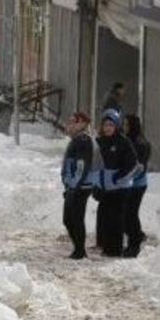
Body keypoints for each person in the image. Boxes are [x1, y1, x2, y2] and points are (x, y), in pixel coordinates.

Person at [95, 109, 138, 257]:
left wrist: (119, 176)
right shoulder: (99, 142)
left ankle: (115, 249)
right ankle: (107, 247)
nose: (108, 128)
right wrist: (96, 185)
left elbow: (132, 164)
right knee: (105, 218)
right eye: (105, 125)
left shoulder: (123, 142)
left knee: (117, 219)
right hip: (105, 187)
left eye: (111, 125)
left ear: (116, 126)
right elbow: (94, 165)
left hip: (120, 187)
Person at [61, 111, 102, 260]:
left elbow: (81, 167)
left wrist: (73, 186)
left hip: (81, 186)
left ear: (83, 124)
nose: (70, 124)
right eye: (70, 121)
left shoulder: (83, 141)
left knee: (74, 218)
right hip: (74, 186)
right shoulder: (77, 140)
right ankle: (78, 249)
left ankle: (79, 250)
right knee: (69, 219)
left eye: (74, 122)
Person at [123, 114, 151, 258]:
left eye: (127, 125)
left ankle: (134, 245)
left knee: (130, 214)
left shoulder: (140, 144)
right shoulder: (129, 140)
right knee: (128, 214)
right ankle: (137, 237)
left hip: (137, 185)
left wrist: (126, 178)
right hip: (129, 184)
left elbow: (139, 167)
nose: (124, 127)